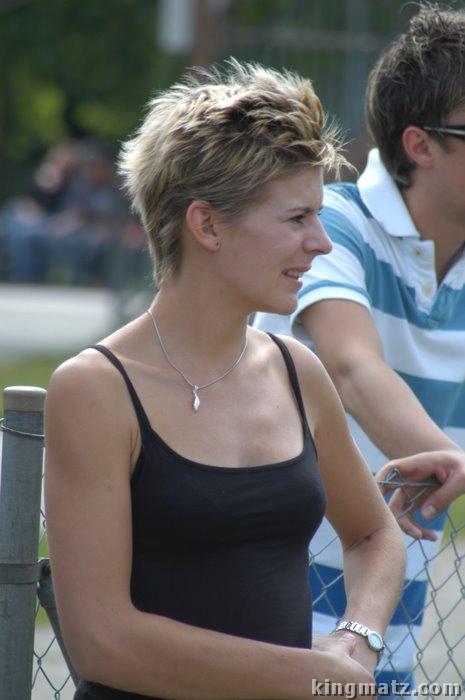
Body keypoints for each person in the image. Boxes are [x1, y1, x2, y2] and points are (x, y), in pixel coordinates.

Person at [44, 60, 405, 700]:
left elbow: (375, 534)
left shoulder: (297, 370)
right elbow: (101, 640)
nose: (321, 243)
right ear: (206, 224)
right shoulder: (95, 389)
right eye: (297, 218)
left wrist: (357, 637)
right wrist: (310, 675)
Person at [254, 4, 465, 692]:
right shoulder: (332, 224)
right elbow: (351, 367)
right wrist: (452, 464)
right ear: (421, 144)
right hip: (271, 618)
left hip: (389, 616)